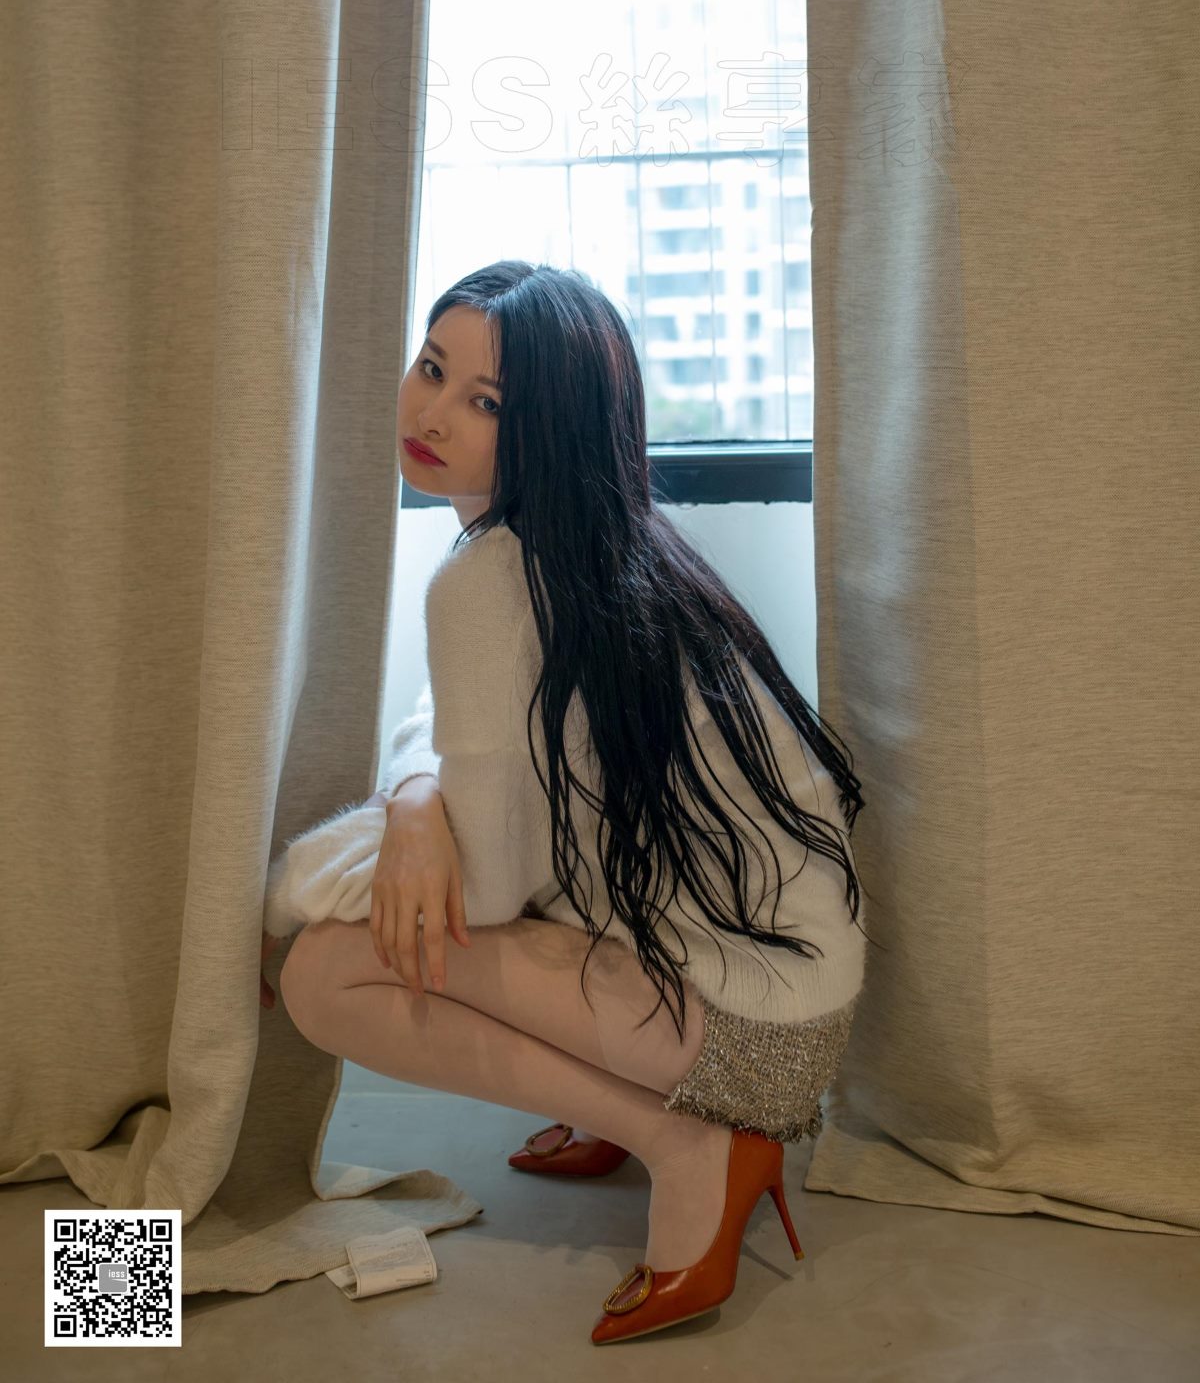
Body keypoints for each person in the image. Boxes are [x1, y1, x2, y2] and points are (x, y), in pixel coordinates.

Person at [271, 260, 877, 1343]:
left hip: (739, 1031)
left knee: (319, 973)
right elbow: (457, 727)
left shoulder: (491, 580)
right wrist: (415, 794)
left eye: (487, 402)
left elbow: (486, 894)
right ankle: (651, 1113)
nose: (432, 415)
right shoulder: (604, 549)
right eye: (431, 368)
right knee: (423, 890)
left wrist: (288, 897)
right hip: (794, 1000)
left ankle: (693, 1144)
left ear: (552, 428)